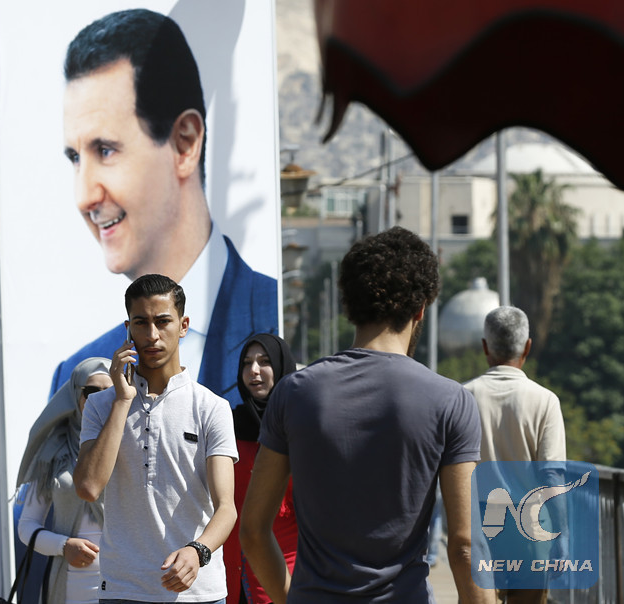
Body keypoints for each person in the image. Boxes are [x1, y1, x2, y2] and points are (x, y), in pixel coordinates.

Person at [240, 226, 494, 604]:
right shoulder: (450, 400)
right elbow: (464, 545)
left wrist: (291, 598)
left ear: (349, 307)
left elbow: (253, 531)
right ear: (420, 309)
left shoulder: (293, 394)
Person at [50, 8, 278, 409]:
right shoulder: (79, 375)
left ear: (185, 143)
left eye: (105, 150)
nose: (84, 196)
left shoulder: (277, 315)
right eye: (75, 157)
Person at [74, 273, 238, 603]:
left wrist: (197, 551)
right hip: (123, 589)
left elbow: (226, 509)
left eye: (162, 322)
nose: (152, 335)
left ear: (183, 325)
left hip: (198, 593)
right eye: (141, 323)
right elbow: (88, 487)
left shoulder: (211, 407)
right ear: (128, 329)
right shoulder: (101, 405)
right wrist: (122, 400)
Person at [463, 305, 566, 604]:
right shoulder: (545, 400)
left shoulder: (462, 397)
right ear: (527, 347)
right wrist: (563, 535)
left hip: (479, 529)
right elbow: (552, 474)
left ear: (485, 346)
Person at [16, 357, 113, 604]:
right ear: (75, 395)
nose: (101, 399)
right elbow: (27, 525)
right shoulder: (54, 450)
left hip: (126, 584)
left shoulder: (134, 444)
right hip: (70, 587)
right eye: (91, 392)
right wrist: (64, 545)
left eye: (110, 392)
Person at [225, 334, 297, 604]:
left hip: (287, 576)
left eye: (264, 361)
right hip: (231, 576)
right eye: (247, 363)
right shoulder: (227, 425)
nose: (253, 370)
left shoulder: (302, 427)